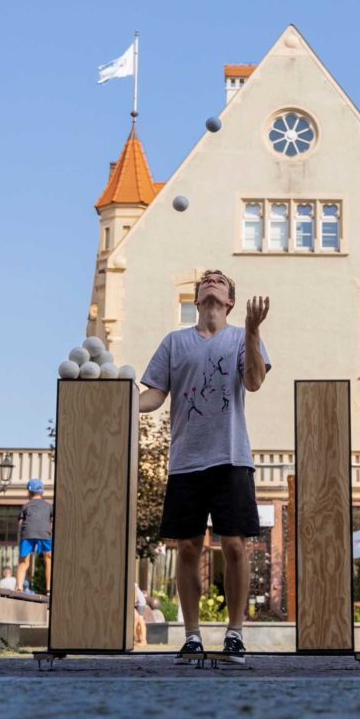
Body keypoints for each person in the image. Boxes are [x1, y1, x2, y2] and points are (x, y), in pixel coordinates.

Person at [140, 269, 270, 665]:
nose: (212, 280)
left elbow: (254, 382)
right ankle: (192, 636)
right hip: (186, 461)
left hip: (231, 457)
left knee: (233, 546)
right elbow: (154, 396)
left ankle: (234, 634)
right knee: (188, 549)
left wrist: (251, 330)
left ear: (229, 300)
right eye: (206, 280)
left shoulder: (241, 336)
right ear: (196, 298)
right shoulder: (174, 342)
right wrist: (117, 403)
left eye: (220, 280)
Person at [16, 478, 53, 594]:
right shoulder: (49, 506)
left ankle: (19, 588)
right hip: (45, 533)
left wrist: (21, 537)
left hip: (28, 533)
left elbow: (20, 524)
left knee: (23, 561)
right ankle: (48, 589)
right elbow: (51, 523)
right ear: (42, 492)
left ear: (29, 492)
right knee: (48, 559)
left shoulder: (25, 506)